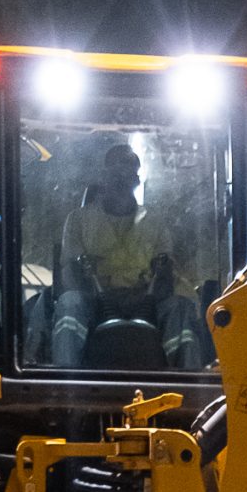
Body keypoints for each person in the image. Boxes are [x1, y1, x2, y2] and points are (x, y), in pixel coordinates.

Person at [52, 144, 204, 367]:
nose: (121, 180)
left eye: (128, 173)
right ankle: (64, 381)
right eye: (116, 172)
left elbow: (166, 271)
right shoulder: (78, 220)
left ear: (136, 180)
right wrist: (88, 285)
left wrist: (154, 289)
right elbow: (70, 272)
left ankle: (189, 382)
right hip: (94, 303)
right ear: (104, 177)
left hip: (147, 303)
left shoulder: (154, 222)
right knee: (69, 304)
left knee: (180, 307)